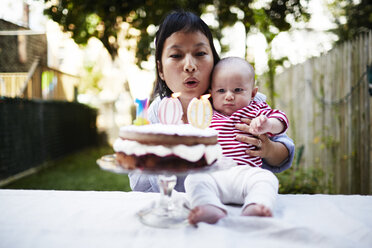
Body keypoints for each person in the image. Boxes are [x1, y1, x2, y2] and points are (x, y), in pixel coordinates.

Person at [128, 10, 295, 192]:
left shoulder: (240, 101)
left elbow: (284, 154)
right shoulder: (155, 113)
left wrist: (269, 149)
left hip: (234, 204)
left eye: (200, 53)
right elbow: (138, 185)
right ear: (160, 69)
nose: (190, 66)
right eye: (176, 55)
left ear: (214, 60)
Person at [185, 57, 288, 225]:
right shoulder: (205, 113)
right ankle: (209, 206)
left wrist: (268, 124)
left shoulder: (256, 109)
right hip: (212, 173)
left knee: (266, 178)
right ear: (211, 92)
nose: (229, 97)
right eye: (221, 91)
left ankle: (257, 205)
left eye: (238, 90)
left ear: (253, 93)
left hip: (245, 173)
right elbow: (188, 134)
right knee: (193, 179)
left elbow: (281, 120)